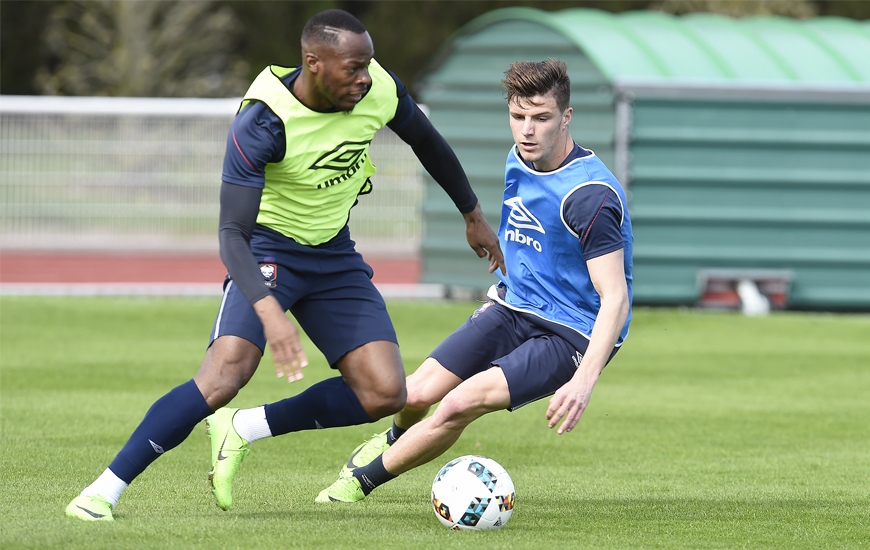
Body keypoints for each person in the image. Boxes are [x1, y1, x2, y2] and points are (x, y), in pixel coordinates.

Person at [65, 9, 503, 522]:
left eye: (368, 66)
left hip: (334, 254)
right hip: (268, 250)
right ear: (313, 63)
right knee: (224, 375)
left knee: (386, 393)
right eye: (352, 68)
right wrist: (271, 311)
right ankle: (101, 491)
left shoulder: (378, 88)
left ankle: (242, 428)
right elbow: (232, 235)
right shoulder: (263, 120)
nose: (364, 79)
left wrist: (472, 213)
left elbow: (428, 142)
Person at [314, 58, 633, 504]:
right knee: (415, 394)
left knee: (459, 404)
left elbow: (614, 297)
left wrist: (584, 379)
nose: (527, 129)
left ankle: (355, 484)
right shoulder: (519, 157)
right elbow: (532, 227)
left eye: (541, 118)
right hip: (514, 305)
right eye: (518, 116)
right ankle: (393, 439)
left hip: (572, 331)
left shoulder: (589, 197)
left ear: (566, 117)